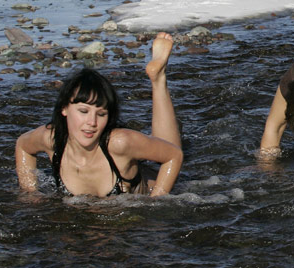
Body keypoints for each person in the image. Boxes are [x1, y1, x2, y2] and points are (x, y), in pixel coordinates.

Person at [15, 32, 183, 197]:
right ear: (64, 108)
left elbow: (174, 155)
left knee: (164, 151)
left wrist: (157, 201)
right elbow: (23, 145)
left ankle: (158, 79)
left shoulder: (119, 143)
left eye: (101, 114)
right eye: (83, 111)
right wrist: (30, 192)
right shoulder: (52, 138)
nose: (92, 122)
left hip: (146, 183)